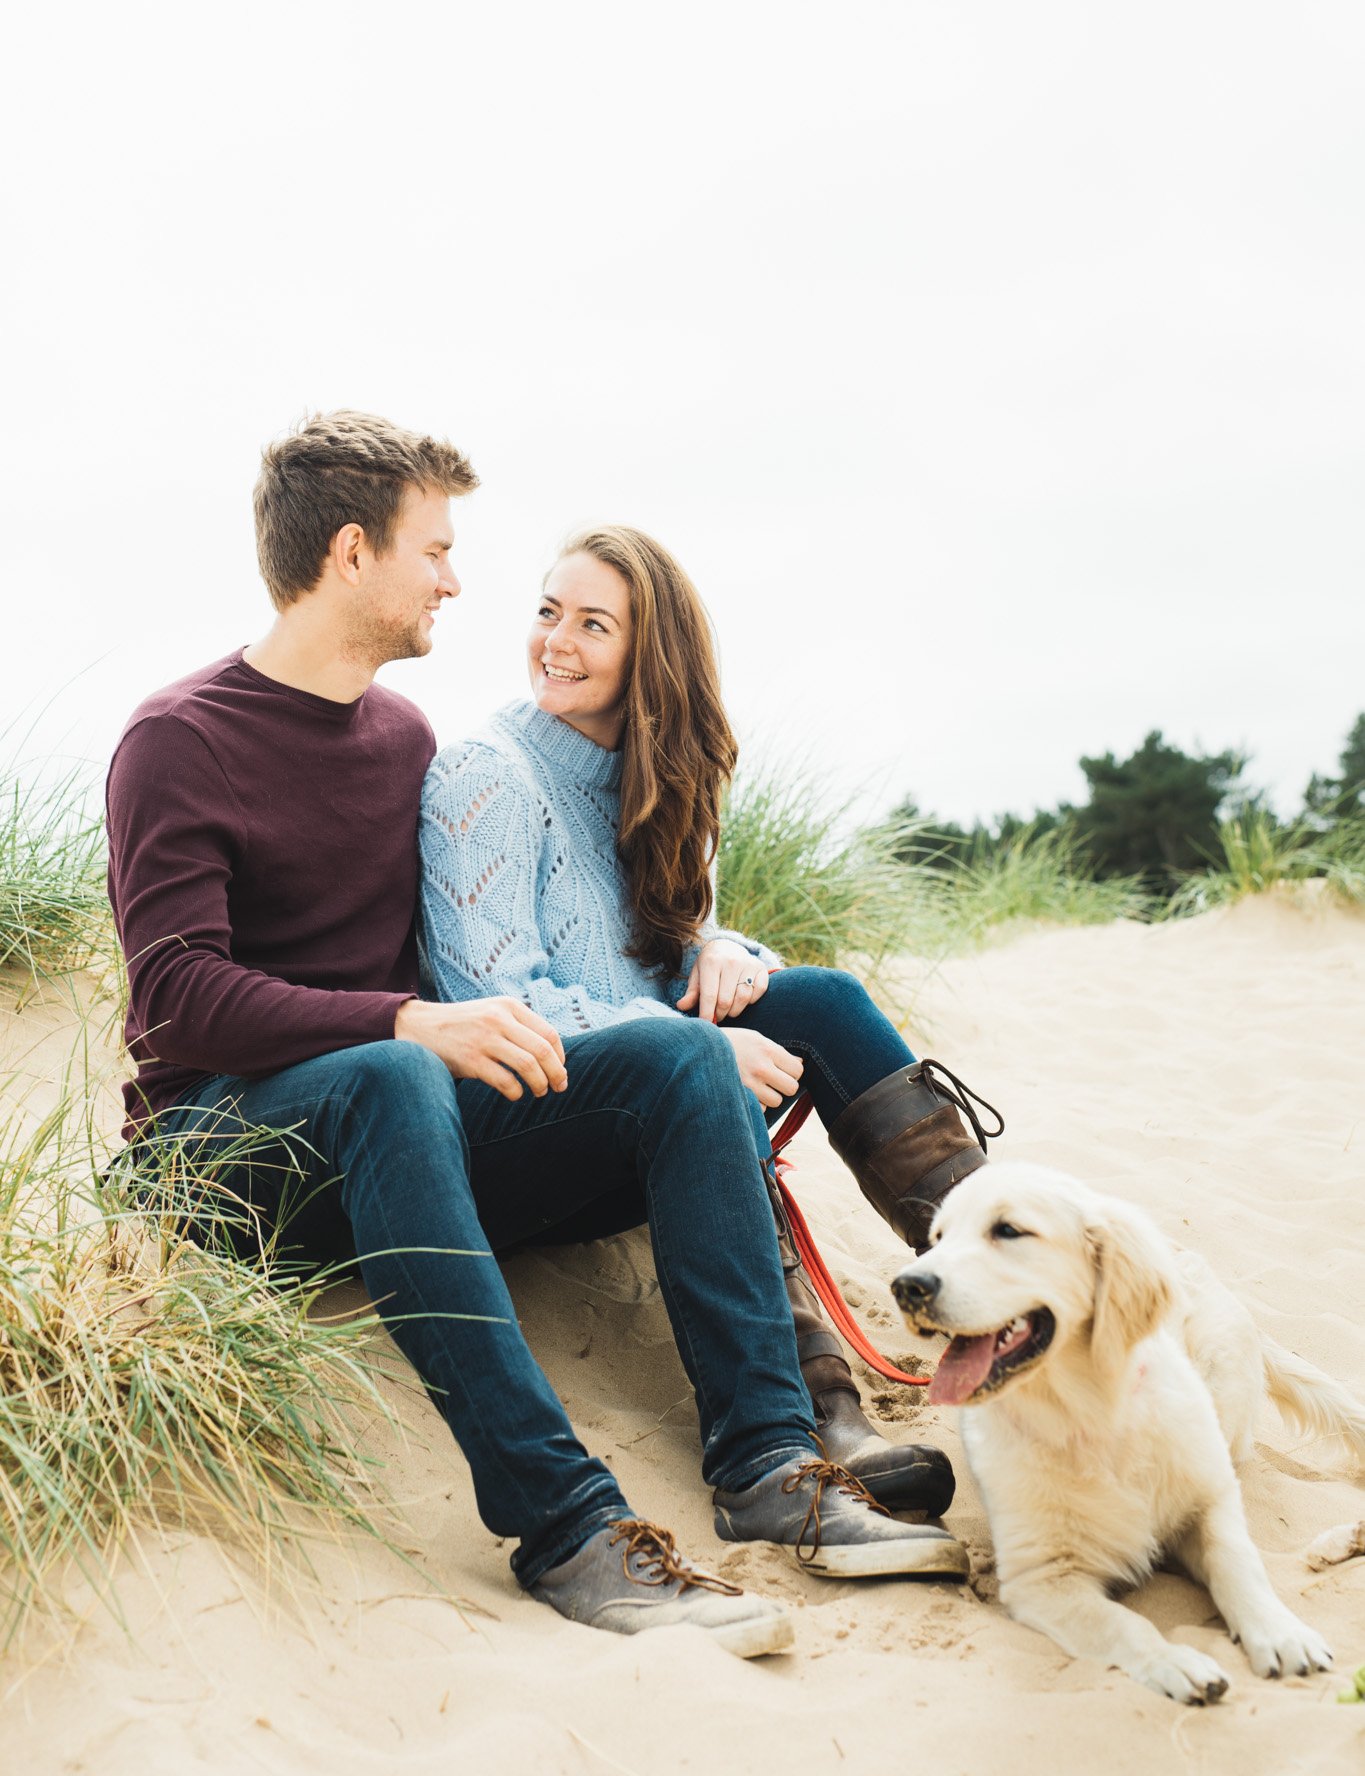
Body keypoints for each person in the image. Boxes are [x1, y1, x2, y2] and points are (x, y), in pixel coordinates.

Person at [105, 411, 971, 1665]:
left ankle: (772, 1457)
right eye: (436, 548)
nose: (457, 578)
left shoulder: (400, 738)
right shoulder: (181, 738)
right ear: (353, 552)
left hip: (404, 1144)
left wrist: (707, 962)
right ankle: (567, 1523)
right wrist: (406, 1016)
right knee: (395, 1070)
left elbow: (556, 934)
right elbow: (178, 995)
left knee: (678, 1058)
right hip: (228, 1157)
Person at [419, 524, 1003, 1511]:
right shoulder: (486, 777)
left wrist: (722, 950)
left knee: (822, 998)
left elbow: (655, 944)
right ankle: (822, 1409)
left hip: (652, 1080)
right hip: (523, 1125)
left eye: (593, 622)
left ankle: (1009, 1257)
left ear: (650, 657)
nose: (556, 639)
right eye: (549, 610)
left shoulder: (661, 779)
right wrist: (704, 1044)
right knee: (699, 1063)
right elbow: (499, 999)